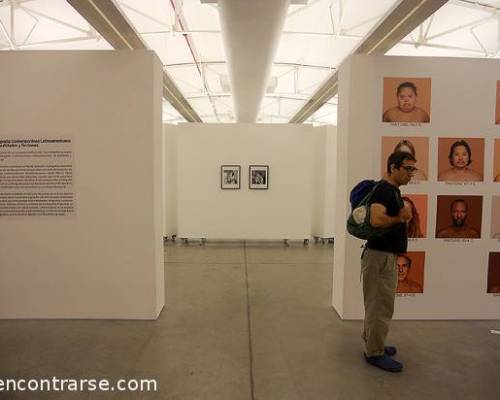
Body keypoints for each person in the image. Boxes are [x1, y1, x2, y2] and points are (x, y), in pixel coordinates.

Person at [360, 151, 415, 373]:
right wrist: (400, 218)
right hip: (380, 257)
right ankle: (374, 353)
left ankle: (374, 342)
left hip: (383, 256)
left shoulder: (392, 191)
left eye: (413, 169)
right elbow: (376, 219)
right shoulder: (384, 190)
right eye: (407, 168)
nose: (411, 173)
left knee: (377, 304)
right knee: (380, 306)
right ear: (393, 168)